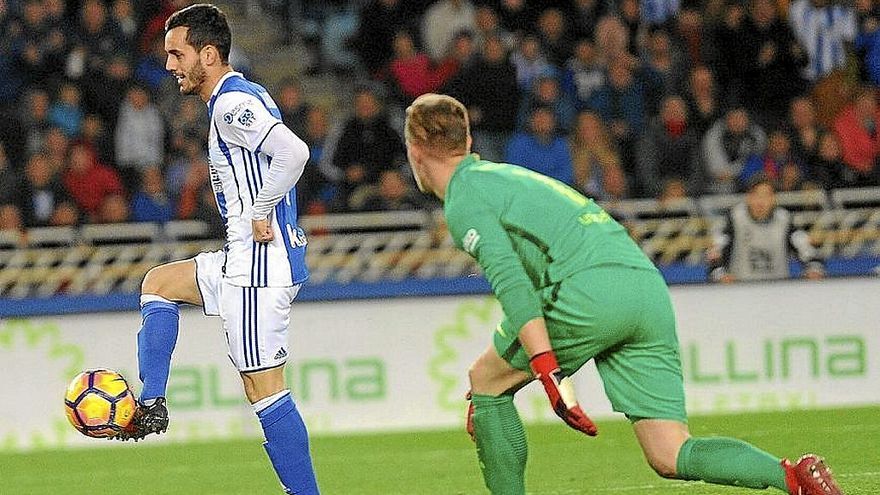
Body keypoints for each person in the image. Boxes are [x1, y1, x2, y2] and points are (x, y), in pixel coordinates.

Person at [403, 93, 843, 495]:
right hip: (643, 285)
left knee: (486, 382)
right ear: (468, 139)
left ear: (415, 150)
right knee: (669, 452)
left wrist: (544, 367)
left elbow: (513, 283)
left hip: (589, 289)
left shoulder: (464, 197)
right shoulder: (502, 177)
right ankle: (795, 478)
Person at [113, 5, 320, 495]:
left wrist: (262, 210)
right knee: (158, 284)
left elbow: (296, 153)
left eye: (176, 53)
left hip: (257, 269)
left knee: (264, 390)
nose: (169, 65)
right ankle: (153, 402)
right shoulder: (242, 95)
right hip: (241, 259)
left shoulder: (230, 104)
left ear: (208, 54)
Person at [708, 174, 824, 283]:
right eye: (756, 195)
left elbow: (806, 248)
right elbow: (715, 253)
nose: (761, 201)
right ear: (749, 197)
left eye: (766, 196)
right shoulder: (734, 219)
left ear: (773, 199)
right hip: (741, 290)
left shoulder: (784, 220)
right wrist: (721, 275)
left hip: (778, 290)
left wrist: (814, 269)